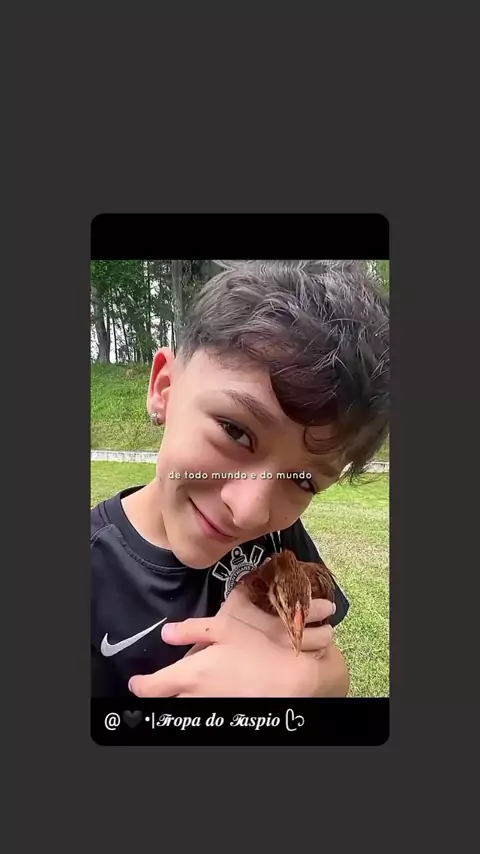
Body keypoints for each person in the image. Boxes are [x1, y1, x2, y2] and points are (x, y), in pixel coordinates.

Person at [91, 259, 389, 698]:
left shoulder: (281, 541)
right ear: (164, 389)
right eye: (235, 431)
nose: (249, 512)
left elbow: (331, 667)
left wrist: (307, 682)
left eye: (304, 481)